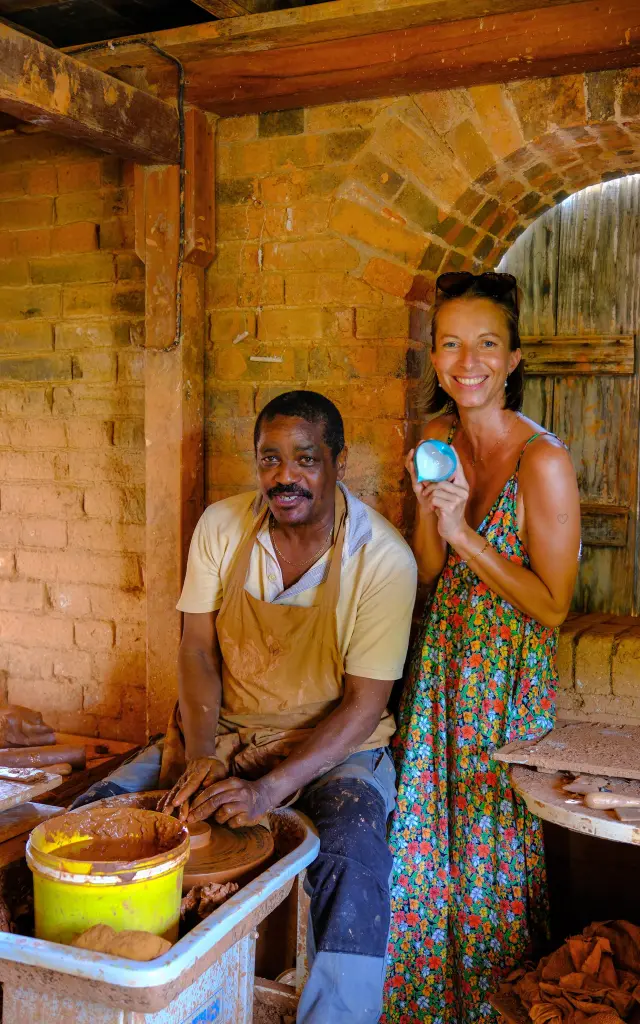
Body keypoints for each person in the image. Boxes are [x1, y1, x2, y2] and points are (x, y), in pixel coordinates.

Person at [143, 389, 418, 1024]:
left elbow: (362, 706)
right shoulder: (222, 526)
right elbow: (196, 651)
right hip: (230, 733)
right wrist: (204, 754)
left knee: (352, 854)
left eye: (305, 459)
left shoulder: (382, 559)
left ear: (338, 461)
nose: (284, 476)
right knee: (111, 811)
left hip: (335, 747)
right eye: (270, 459)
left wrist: (269, 791)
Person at [383, 272, 581, 1024]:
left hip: (502, 682)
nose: (468, 361)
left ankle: (493, 1012)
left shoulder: (544, 462)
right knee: (424, 851)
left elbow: (553, 606)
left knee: (489, 859)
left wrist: (467, 532)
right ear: (435, 358)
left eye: (486, 344)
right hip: (439, 673)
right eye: (452, 345)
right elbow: (429, 575)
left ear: (513, 357)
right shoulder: (437, 442)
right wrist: (437, 512)